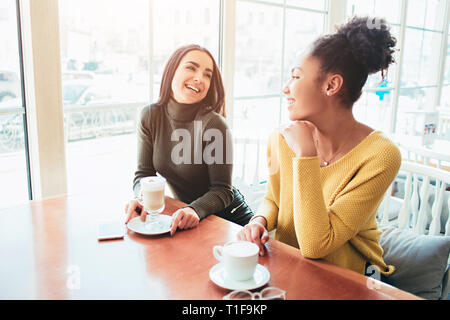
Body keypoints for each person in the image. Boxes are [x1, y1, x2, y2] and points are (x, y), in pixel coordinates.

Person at [237, 16, 401, 277]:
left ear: (331, 85)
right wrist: (260, 221)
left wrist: (306, 156)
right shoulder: (282, 138)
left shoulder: (381, 155)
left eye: (295, 76)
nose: (285, 88)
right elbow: (274, 199)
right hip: (291, 267)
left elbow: (316, 245)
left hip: (348, 278)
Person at [125, 44, 253, 235]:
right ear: (172, 70)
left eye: (207, 74)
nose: (199, 78)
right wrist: (143, 198)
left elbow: (223, 190)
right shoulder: (150, 116)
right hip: (189, 218)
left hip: (230, 221)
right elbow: (144, 174)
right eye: (191, 67)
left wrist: (194, 209)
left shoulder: (215, 125)